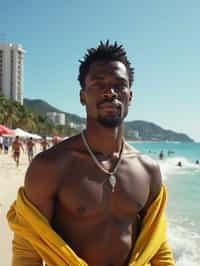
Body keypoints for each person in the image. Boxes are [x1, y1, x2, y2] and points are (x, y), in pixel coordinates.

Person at [7, 41, 175, 265]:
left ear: (130, 96)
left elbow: (157, 247)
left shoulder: (148, 171)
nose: (110, 92)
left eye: (119, 84)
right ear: (82, 96)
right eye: (98, 83)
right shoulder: (49, 167)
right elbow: (27, 251)